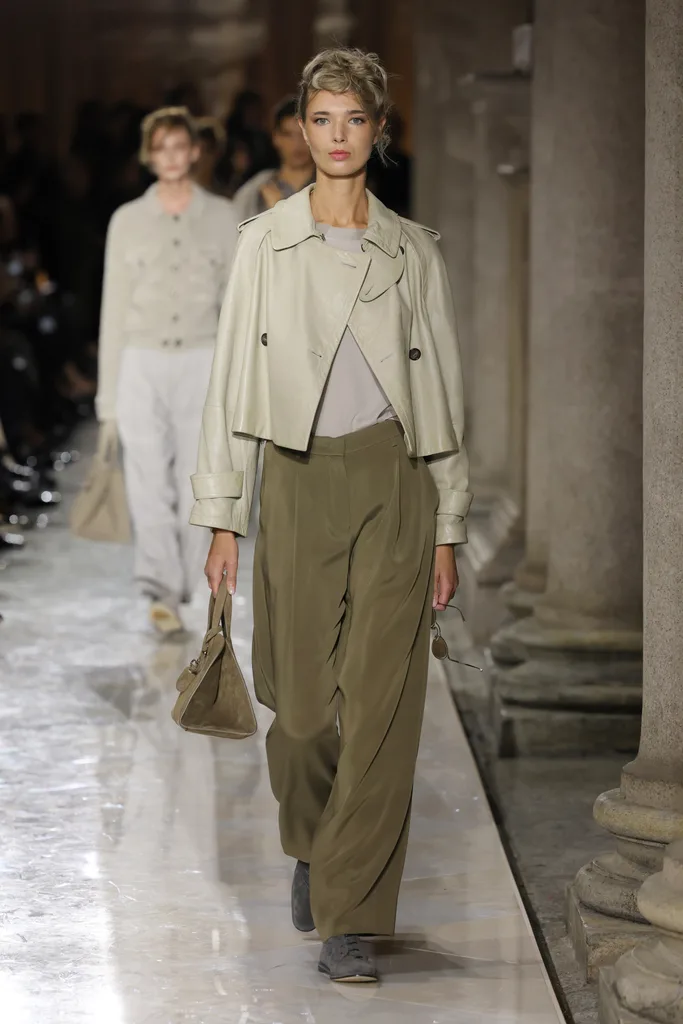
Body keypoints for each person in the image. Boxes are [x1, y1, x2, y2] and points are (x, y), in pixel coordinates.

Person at [191, 49, 472, 982]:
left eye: (355, 119)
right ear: (302, 130)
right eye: (323, 119)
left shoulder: (414, 250)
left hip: (396, 483)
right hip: (298, 477)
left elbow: (443, 400)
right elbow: (231, 378)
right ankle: (312, 839)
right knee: (304, 711)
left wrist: (447, 521)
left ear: (377, 129)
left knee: (384, 709)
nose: (339, 135)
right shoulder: (264, 243)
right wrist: (224, 512)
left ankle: (353, 910)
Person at [96, 107, 239, 634]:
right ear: (149, 155)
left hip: (202, 355)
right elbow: (113, 308)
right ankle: (160, 593)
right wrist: (107, 401)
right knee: (147, 479)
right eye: (162, 149)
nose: (173, 158)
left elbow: (233, 303)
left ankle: (197, 585)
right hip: (141, 359)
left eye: (180, 147)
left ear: (194, 151)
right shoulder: (127, 220)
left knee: (197, 480)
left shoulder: (223, 217)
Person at [232, 96, 314, 222]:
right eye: (288, 135)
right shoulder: (254, 192)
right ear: (276, 137)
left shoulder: (331, 188)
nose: (297, 143)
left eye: (303, 134)